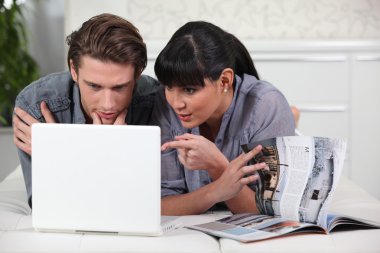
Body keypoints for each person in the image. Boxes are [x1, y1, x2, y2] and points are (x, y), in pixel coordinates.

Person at [12, 13, 159, 208]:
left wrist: (63, 155)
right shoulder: (36, 104)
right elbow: (47, 205)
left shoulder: (155, 100)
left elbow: (146, 200)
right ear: (74, 69)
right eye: (94, 86)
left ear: (138, 73)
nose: (108, 104)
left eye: (120, 87)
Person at [152, 21, 295, 216]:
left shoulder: (267, 105)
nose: (176, 103)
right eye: (169, 87)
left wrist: (217, 166)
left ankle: (292, 120)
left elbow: (267, 211)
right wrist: (216, 191)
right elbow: (162, 205)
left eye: (189, 90)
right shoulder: (163, 105)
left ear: (224, 80)